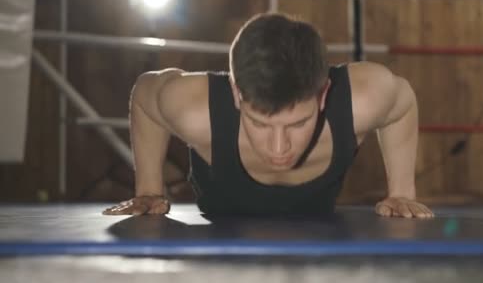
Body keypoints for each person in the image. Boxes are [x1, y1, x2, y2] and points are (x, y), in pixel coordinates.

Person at [103, 13, 433, 218]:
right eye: (260, 123)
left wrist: (402, 192)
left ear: (323, 96)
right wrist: (149, 189)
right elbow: (146, 95)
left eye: (298, 123)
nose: (279, 148)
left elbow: (401, 104)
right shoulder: (193, 109)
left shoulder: (365, 96)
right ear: (236, 94)